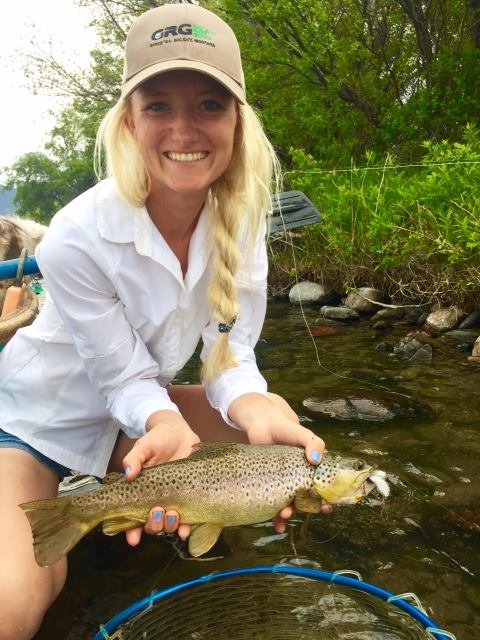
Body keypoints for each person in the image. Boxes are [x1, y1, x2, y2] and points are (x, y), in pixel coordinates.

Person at [0, 4, 329, 639]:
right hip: (40, 426)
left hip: (136, 425)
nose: (185, 128)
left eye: (210, 104)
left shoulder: (244, 219)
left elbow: (230, 357)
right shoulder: (74, 238)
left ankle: (152, 505)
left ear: (238, 120)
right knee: (12, 604)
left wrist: (256, 404)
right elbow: (124, 380)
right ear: (128, 121)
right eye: (158, 106)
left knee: (288, 454)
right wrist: (168, 427)